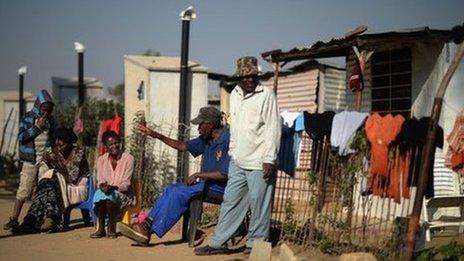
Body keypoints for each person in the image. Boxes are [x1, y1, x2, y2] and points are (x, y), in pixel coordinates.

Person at [194, 56, 281, 255]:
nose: (250, 80)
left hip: (260, 162)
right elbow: (234, 126)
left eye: (253, 76)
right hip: (239, 160)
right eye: (245, 76)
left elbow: (273, 129)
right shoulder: (234, 94)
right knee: (231, 201)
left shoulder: (266, 95)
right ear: (239, 78)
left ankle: (254, 245)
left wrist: (269, 158)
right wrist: (232, 152)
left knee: (259, 205)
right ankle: (218, 243)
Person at [118, 106, 230, 246]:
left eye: (201, 124)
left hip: (221, 187)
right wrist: (156, 135)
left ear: (211, 124)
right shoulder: (206, 139)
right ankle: (146, 225)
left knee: (178, 192)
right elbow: (181, 146)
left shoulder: (227, 139)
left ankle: (146, 229)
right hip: (206, 185)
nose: (198, 128)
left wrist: (197, 174)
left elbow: (225, 174)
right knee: (171, 188)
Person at [12, 128, 89, 234]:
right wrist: (48, 162)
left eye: (61, 143)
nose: (58, 145)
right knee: (47, 182)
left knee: (50, 178)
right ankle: (37, 219)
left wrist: (55, 164)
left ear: (69, 142)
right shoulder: (56, 151)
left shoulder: (78, 151)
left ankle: (35, 220)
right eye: (56, 142)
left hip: (76, 186)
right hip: (58, 185)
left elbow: (72, 177)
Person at [4, 90, 57, 230]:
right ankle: (14, 219)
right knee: (24, 189)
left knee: (43, 188)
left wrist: (51, 153)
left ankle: (37, 219)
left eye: (49, 111)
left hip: (45, 159)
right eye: (44, 110)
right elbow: (22, 138)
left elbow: (54, 139)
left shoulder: (52, 121)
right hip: (30, 160)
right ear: (38, 106)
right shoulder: (28, 118)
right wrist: (37, 127)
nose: (47, 113)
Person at [91, 131, 134, 239]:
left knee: (110, 197)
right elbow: (100, 179)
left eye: (116, 143)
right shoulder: (101, 160)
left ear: (120, 143)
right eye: (110, 144)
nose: (114, 146)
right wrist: (102, 186)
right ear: (105, 146)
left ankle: (111, 227)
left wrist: (114, 187)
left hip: (124, 194)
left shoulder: (128, 159)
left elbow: (126, 183)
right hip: (107, 192)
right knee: (100, 195)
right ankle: (100, 228)